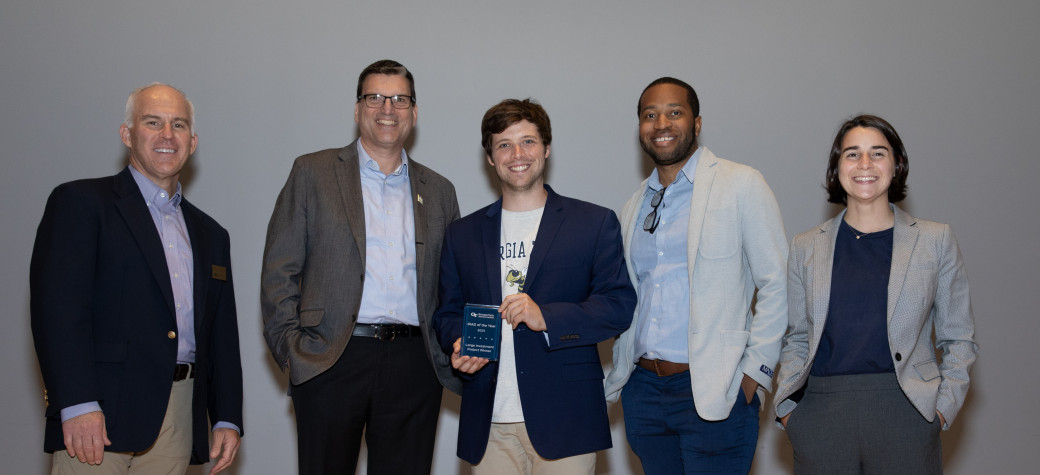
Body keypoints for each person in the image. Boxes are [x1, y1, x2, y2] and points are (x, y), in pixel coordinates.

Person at [30, 83, 244, 474]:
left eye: (178, 125)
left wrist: (227, 416)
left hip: (180, 412)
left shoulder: (212, 234)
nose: (167, 134)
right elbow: (57, 312)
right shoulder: (80, 204)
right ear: (127, 134)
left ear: (192, 142)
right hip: (99, 413)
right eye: (153, 122)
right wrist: (77, 404)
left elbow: (221, 333)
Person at [261, 59, 461, 474]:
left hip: (414, 364)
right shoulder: (311, 172)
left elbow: (452, 285)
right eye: (375, 97)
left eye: (399, 99)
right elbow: (280, 270)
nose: (387, 108)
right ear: (357, 109)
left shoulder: (440, 191)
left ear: (414, 113)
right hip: (331, 358)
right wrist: (294, 355)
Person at [433, 98, 636, 474]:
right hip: (488, 419)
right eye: (503, 145)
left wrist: (548, 317)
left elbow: (618, 305)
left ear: (546, 148)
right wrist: (459, 342)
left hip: (567, 417)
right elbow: (446, 313)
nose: (517, 154)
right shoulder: (462, 234)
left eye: (527, 141)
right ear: (490, 157)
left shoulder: (592, 223)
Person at [773, 114, 978, 473]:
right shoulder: (805, 247)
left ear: (897, 165)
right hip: (821, 414)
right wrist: (790, 412)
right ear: (837, 168)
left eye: (877, 153)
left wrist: (941, 410)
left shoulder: (935, 240)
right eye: (852, 154)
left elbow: (958, 337)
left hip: (906, 412)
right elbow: (797, 339)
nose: (864, 164)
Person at [604, 77, 789, 474]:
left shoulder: (741, 185)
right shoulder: (633, 206)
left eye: (675, 112)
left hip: (716, 392)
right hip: (645, 393)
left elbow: (778, 285)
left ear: (697, 123)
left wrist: (753, 376)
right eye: (650, 115)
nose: (662, 123)